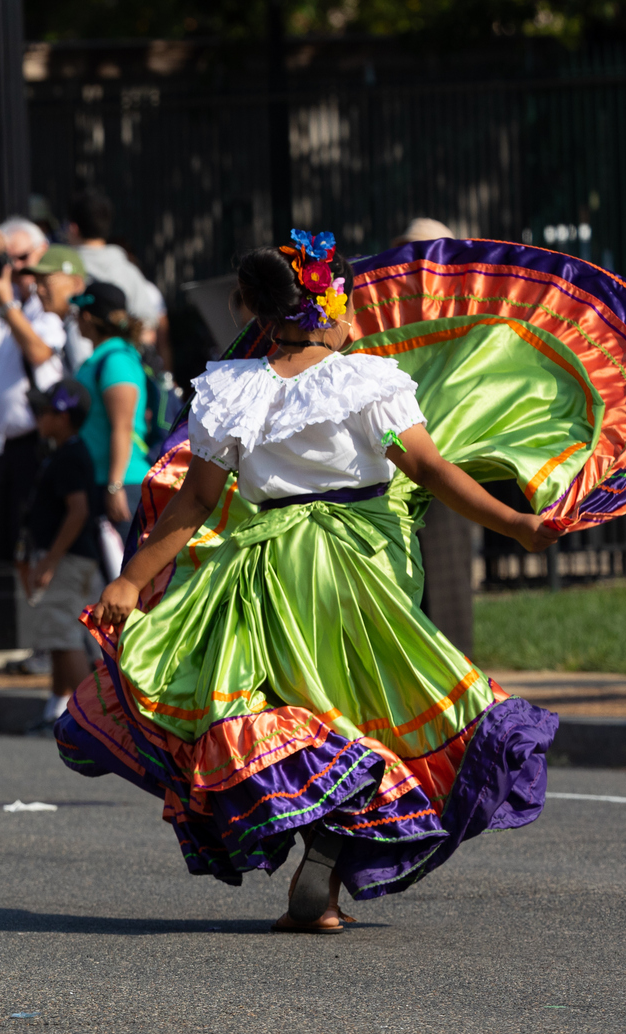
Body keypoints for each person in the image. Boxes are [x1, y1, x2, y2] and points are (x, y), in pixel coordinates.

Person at [59, 230, 575, 934]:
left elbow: (193, 504)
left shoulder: (231, 390)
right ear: (332, 312)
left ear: (265, 318)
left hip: (265, 567)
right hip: (358, 566)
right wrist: (515, 524)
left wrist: (129, 579)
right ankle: (329, 864)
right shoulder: (368, 381)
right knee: (367, 706)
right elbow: (430, 472)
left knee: (288, 706)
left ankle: (320, 868)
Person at [0, 218, 68, 567]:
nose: (15, 268)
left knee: (30, 534)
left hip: (37, 440)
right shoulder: (11, 302)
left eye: (22, 258)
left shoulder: (45, 307)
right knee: (6, 538)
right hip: (6, 442)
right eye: (7, 259)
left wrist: (5, 302)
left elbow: (39, 351)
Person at [16, 382, 100, 730]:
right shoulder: (63, 451)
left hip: (67, 561)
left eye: (44, 411)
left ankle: (88, 719)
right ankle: (56, 707)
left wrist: (50, 560)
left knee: (66, 638)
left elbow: (77, 511)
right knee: (55, 637)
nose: (37, 418)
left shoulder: (69, 457)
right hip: (68, 559)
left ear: (63, 417)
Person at [73, 279, 151, 535]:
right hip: (100, 481)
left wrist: (114, 486)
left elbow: (122, 426)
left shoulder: (116, 360)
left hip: (122, 484)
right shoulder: (101, 359)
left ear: (86, 316)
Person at [67, 188, 166, 351]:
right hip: (123, 365)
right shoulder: (128, 271)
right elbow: (148, 323)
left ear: (73, 228)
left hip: (83, 370)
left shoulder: (64, 272)